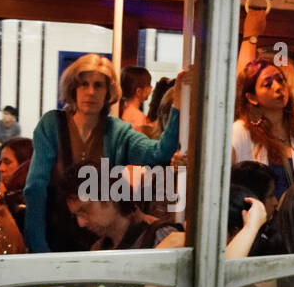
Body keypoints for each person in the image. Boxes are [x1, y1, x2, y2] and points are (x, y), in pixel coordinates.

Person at [24, 54, 187, 253]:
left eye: (98, 85)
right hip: (53, 235)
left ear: (108, 92)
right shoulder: (51, 125)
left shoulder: (117, 130)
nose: (90, 92)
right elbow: (35, 188)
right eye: (84, 84)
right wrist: (38, 247)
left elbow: (158, 153)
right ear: (73, 88)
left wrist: (179, 100)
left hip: (102, 241)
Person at [231, 58, 294, 199]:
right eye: (267, 84)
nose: (277, 87)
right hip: (260, 218)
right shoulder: (241, 131)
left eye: (280, 80)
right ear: (252, 97)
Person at [59, 164, 182, 251]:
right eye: (76, 216)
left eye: (84, 211)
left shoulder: (163, 238)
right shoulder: (98, 249)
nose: (81, 223)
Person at [0, 136, 33, 228]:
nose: (0, 169)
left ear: (24, 166)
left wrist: (3, 199)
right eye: (0, 162)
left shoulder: (25, 202)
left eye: (7, 162)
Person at [119, 66, 153, 131]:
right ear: (138, 91)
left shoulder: (121, 111)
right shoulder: (138, 118)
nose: (151, 88)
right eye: (149, 84)